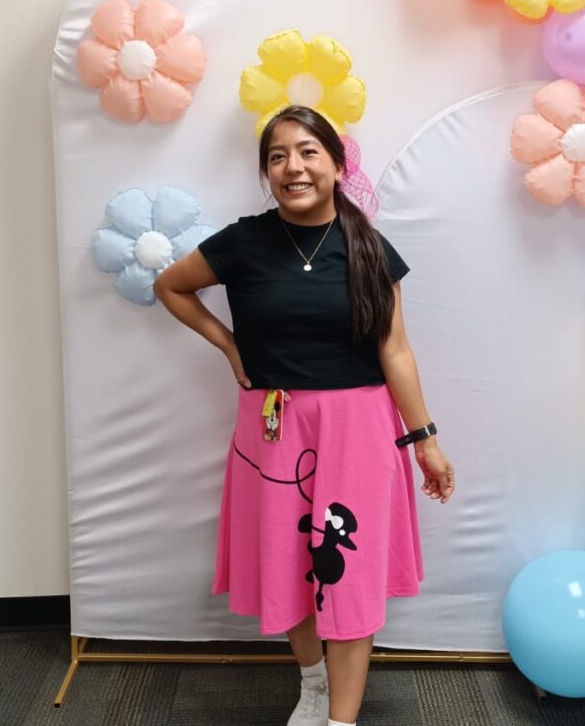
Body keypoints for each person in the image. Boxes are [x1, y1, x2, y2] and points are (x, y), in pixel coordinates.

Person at [153, 105, 455, 726]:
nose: (293, 166)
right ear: (267, 173)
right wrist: (230, 345)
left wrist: (424, 438)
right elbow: (171, 286)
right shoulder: (242, 243)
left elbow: (395, 350)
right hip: (274, 428)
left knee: (349, 574)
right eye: (277, 156)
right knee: (289, 566)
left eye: (308, 152)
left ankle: (340, 721)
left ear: (338, 166)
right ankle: (313, 684)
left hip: (359, 430)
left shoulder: (369, 249)